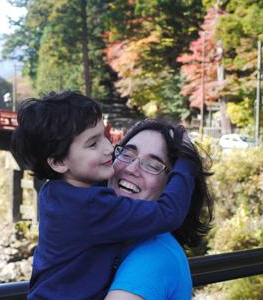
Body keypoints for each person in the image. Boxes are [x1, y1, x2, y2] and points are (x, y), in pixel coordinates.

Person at [11, 90, 197, 299]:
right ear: (58, 162)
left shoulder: (55, 192)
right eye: (93, 144)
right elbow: (168, 213)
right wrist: (187, 162)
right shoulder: (90, 206)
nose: (109, 149)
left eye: (153, 165)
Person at [105, 119, 214, 300]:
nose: (131, 169)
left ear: (174, 189)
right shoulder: (107, 236)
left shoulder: (154, 256)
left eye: (153, 165)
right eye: (127, 154)